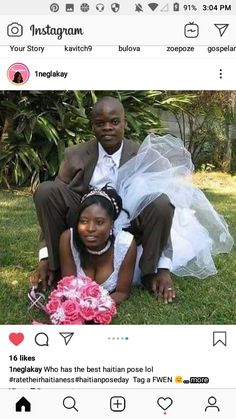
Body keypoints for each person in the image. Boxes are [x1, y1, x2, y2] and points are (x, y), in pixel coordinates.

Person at [31, 96, 175, 303]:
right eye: (100, 123)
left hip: (129, 219)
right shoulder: (75, 154)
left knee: (161, 202)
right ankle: (54, 266)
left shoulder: (141, 154)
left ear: (125, 123)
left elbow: (161, 211)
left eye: (115, 122)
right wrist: (44, 258)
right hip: (86, 217)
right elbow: (50, 207)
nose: (108, 128)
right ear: (93, 126)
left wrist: (164, 268)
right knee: (46, 191)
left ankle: (150, 273)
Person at [59, 186, 139, 305]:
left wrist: (95, 308)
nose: (90, 229)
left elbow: (122, 293)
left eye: (99, 222)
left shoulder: (126, 245)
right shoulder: (68, 239)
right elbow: (70, 290)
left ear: (111, 224)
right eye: (84, 221)